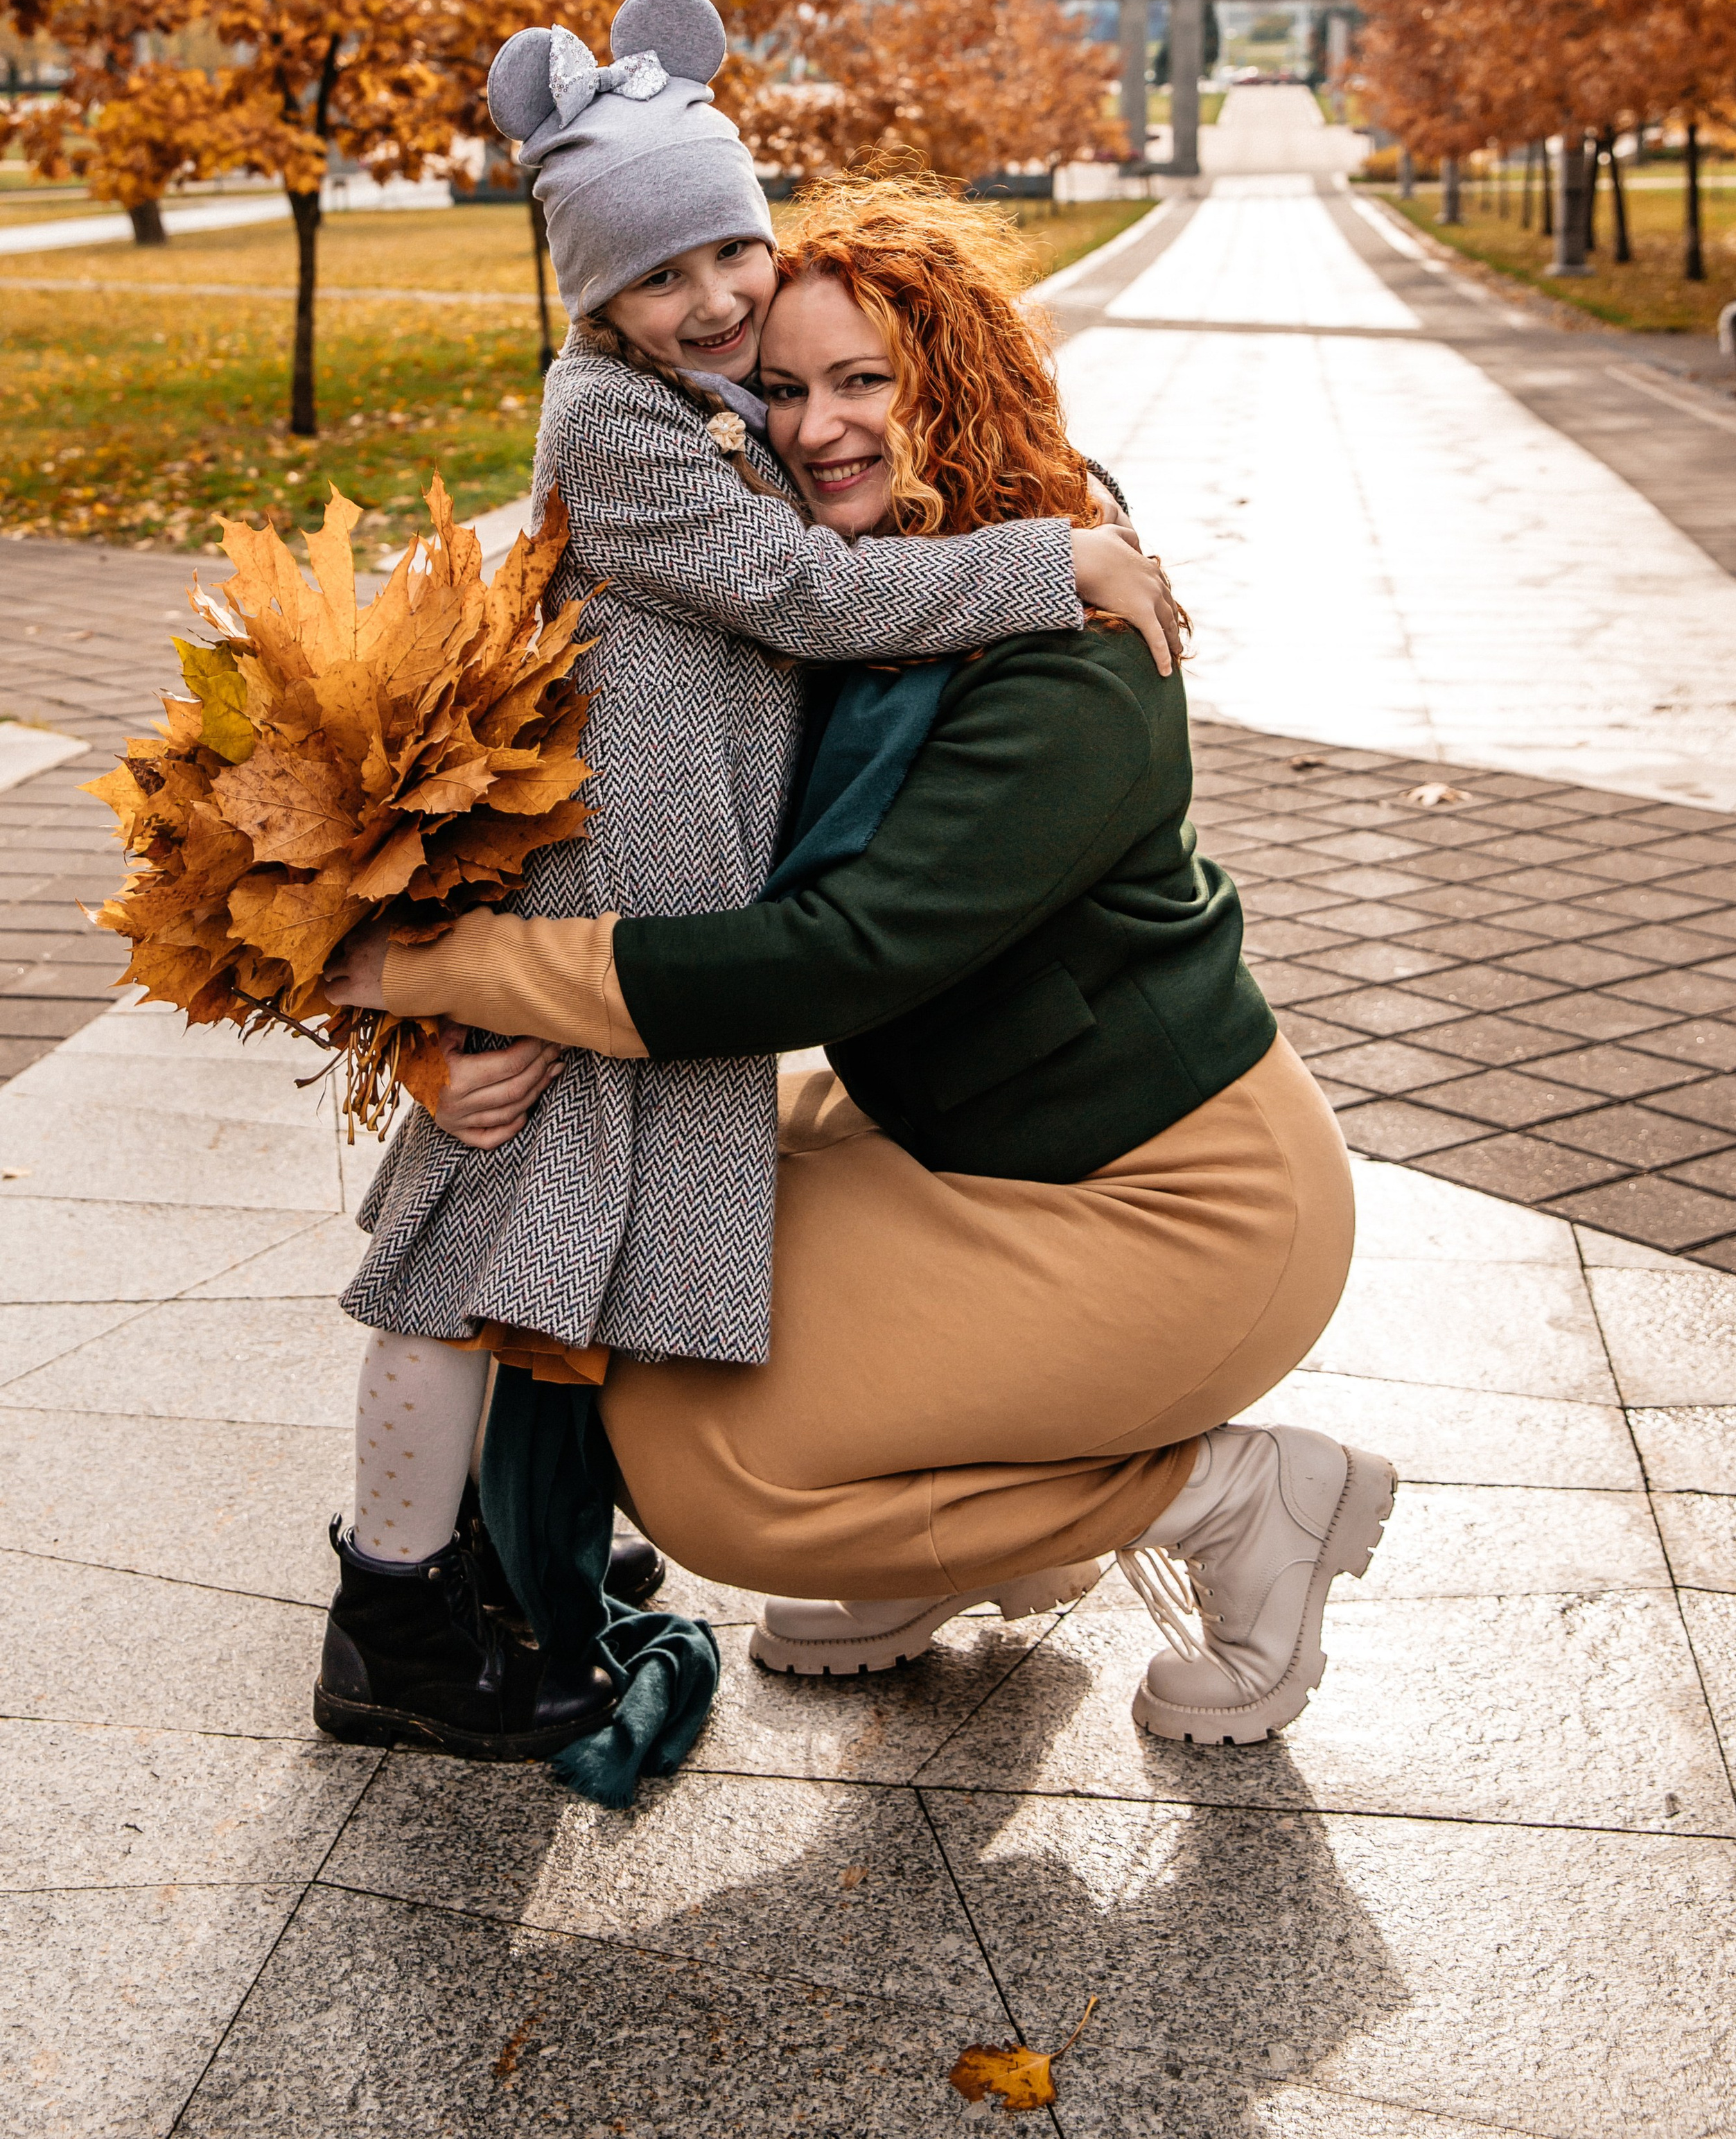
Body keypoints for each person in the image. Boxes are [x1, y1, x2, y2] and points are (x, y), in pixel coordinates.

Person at [343, 175, 1391, 1752]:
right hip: (962, 1137)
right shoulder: (837, 595)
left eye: (863, 381)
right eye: (780, 388)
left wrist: (449, 972)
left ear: (950, 383)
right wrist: (461, 1052)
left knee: (711, 1473)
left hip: (1170, 1204)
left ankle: (1228, 1494)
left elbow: (824, 960)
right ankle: (959, 1546)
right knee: (631, 1252)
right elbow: (623, 832)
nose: (817, 426)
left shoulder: (1073, 654)